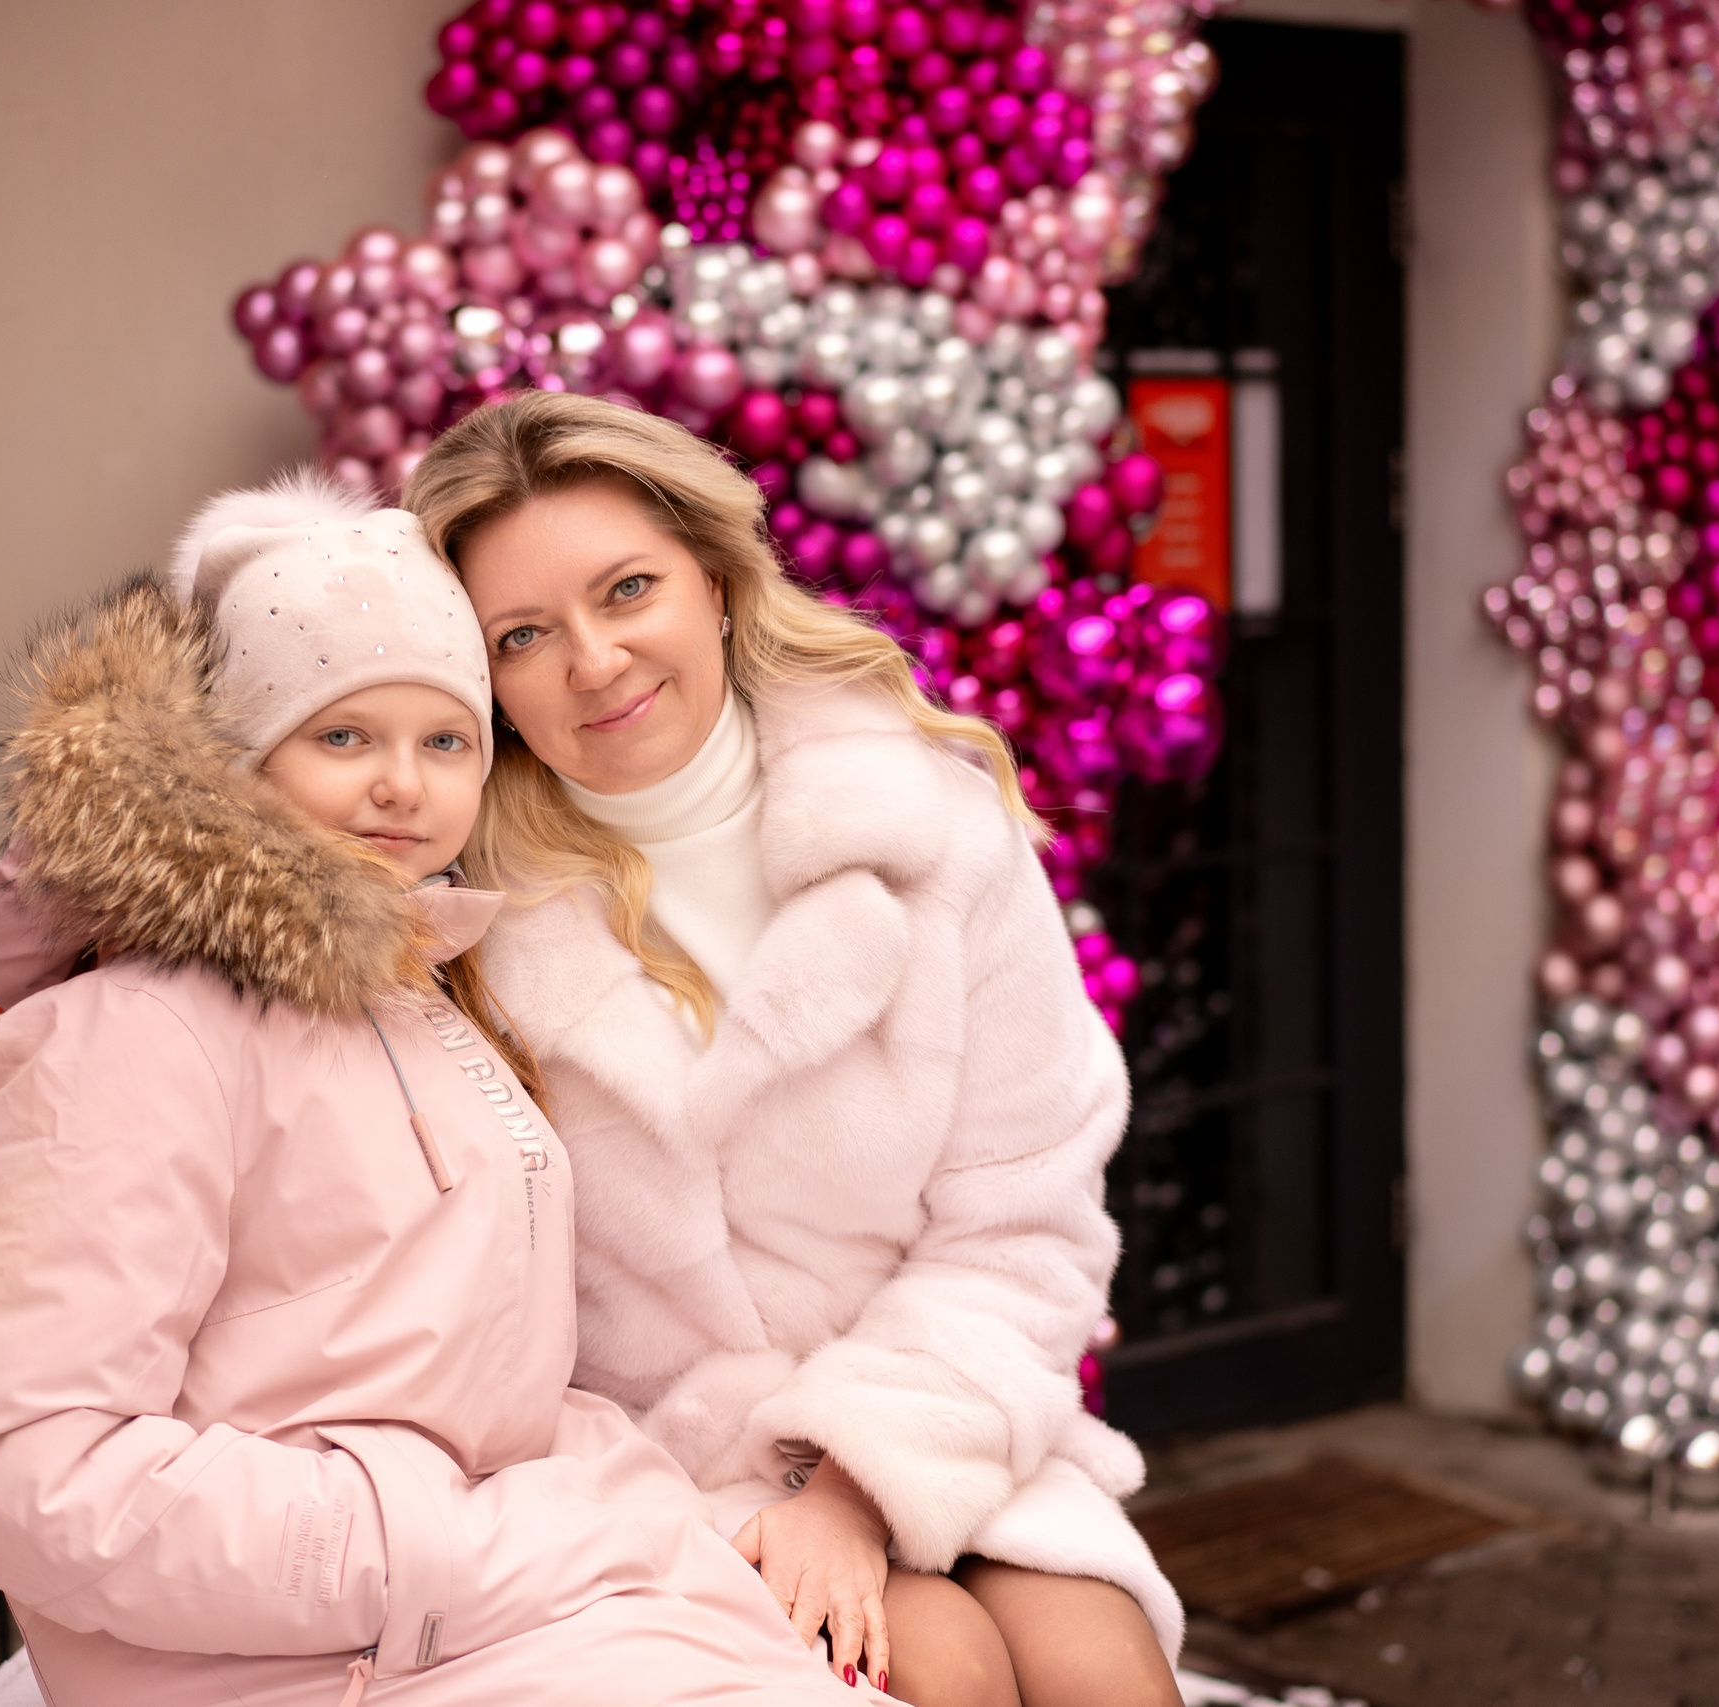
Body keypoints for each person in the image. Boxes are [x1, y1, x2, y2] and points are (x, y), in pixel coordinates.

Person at [0, 478, 863, 1707]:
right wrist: (441, 1550)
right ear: (233, 761)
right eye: (342, 738)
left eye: (445, 742)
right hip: (304, 1660)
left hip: (500, 1603)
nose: (401, 788)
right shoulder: (134, 1034)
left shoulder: (424, 998)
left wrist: (595, 1510)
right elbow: (30, 1460)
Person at [401, 391, 1185, 1707]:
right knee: (934, 1667)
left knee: (1101, 1670)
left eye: (628, 587)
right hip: (651, 1463)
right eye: (524, 634)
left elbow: (1024, 1222)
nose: (594, 659)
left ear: (715, 579)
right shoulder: (460, 918)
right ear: (482, 681)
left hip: (945, 1412)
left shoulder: (932, 827)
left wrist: (859, 1471)